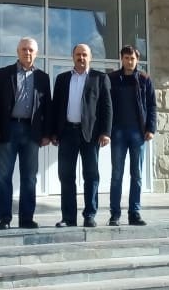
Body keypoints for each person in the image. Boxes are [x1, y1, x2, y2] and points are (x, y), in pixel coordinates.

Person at [0, 37, 52, 230]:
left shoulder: (43, 77)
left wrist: (46, 134)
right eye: (24, 49)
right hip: (8, 129)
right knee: (3, 176)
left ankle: (26, 219)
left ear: (36, 53)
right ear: (17, 52)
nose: (27, 52)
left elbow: (47, 107)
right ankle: (4, 218)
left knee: (29, 177)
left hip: (32, 132)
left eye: (31, 50)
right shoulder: (3, 74)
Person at [51, 44, 111, 228]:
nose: (81, 57)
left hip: (90, 134)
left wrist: (106, 132)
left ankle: (89, 215)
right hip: (67, 133)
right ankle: (68, 218)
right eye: (78, 54)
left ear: (90, 57)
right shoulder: (62, 79)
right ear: (73, 56)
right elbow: (55, 107)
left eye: (85, 54)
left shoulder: (100, 78)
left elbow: (107, 107)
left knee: (91, 175)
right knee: (66, 176)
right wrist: (54, 132)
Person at [107, 45, 156, 226]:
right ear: (121, 59)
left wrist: (151, 128)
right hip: (118, 133)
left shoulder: (144, 79)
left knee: (137, 174)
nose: (129, 61)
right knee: (116, 175)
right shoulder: (112, 78)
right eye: (126, 58)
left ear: (137, 60)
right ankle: (115, 214)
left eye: (132, 58)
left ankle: (134, 213)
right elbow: (106, 104)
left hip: (138, 133)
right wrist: (106, 130)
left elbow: (152, 105)